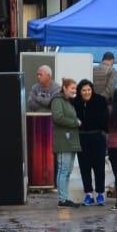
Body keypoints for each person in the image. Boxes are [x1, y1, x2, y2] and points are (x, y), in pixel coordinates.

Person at [74, 79, 108, 205]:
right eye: (84, 90)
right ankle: (88, 193)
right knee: (84, 166)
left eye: (89, 90)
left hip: (97, 136)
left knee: (99, 166)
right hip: (82, 137)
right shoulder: (75, 102)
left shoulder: (100, 100)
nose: (87, 92)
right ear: (80, 91)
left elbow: (105, 118)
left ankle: (100, 193)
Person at [51, 77, 82, 206]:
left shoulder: (68, 101)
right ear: (64, 88)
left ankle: (64, 197)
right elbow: (58, 118)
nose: (75, 91)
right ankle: (62, 199)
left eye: (75, 88)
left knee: (67, 170)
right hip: (63, 141)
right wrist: (75, 123)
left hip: (71, 140)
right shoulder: (57, 100)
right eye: (72, 88)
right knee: (63, 170)